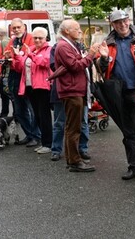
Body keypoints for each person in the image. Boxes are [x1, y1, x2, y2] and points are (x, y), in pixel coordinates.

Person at [97, 10, 135, 184]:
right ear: (112, 25)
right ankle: (134, 166)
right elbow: (101, 69)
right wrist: (102, 59)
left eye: (124, 21)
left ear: (128, 20)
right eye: (117, 23)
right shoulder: (107, 42)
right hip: (118, 94)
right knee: (128, 133)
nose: (122, 25)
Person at [54, 19, 101, 173]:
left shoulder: (69, 45)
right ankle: (74, 162)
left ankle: (72, 159)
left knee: (73, 127)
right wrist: (91, 55)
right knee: (73, 128)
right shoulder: (63, 46)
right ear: (67, 31)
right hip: (71, 91)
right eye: (77, 28)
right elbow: (76, 66)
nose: (80, 31)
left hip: (75, 90)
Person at [12, 27, 53, 154]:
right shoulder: (31, 49)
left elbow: (45, 62)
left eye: (40, 38)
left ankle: (48, 143)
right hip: (30, 87)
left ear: (45, 38)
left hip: (43, 87)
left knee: (44, 116)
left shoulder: (49, 50)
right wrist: (17, 56)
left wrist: (30, 54)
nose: (37, 40)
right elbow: (19, 68)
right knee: (37, 115)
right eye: (35, 37)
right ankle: (43, 141)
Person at [49, 40, 91, 162]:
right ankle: (57, 150)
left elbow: (86, 66)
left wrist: (82, 60)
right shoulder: (59, 47)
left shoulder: (81, 46)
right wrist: (82, 60)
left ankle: (82, 149)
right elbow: (57, 66)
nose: (79, 32)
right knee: (60, 122)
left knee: (82, 122)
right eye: (76, 30)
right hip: (64, 90)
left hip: (81, 90)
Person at [4, 18, 41, 146]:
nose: (16, 30)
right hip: (14, 76)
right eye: (13, 28)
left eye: (18, 27)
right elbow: (7, 54)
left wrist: (13, 59)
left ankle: (36, 135)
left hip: (28, 76)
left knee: (32, 108)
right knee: (19, 110)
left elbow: (26, 58)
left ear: (24, 27)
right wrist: (7, 57)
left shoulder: (31, 38)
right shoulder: (12, 40)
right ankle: (30, 134)